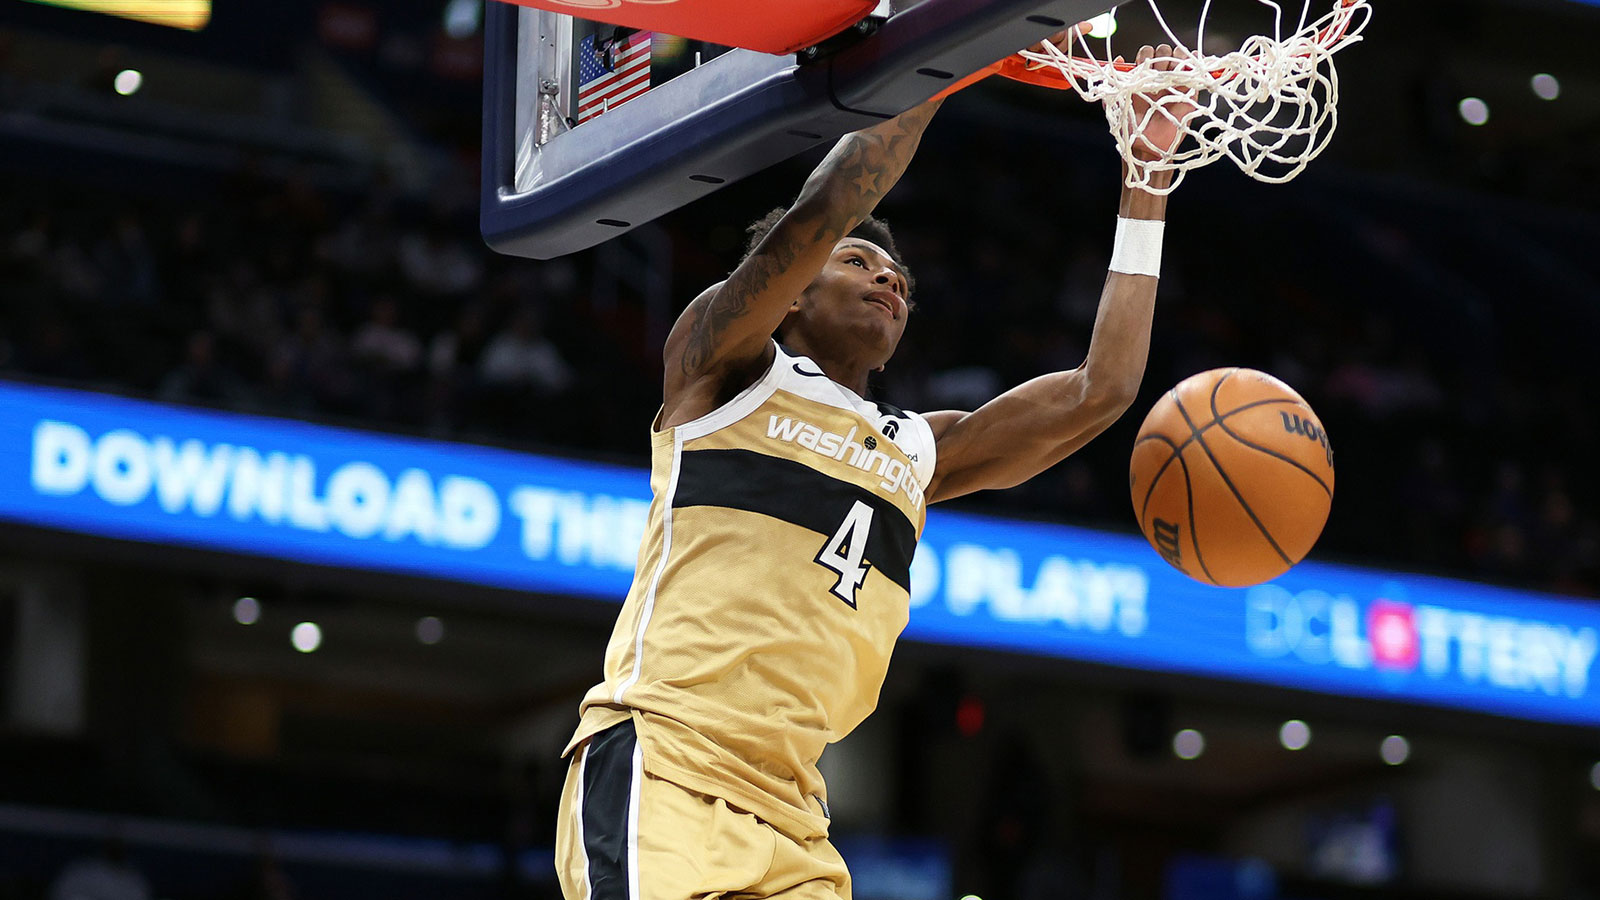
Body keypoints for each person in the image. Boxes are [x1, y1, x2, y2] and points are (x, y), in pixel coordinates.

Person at [556, 37, 1194, 900]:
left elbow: (1101, 389)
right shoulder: (726, 366)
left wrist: (1147, 177)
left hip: (792, 812)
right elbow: (827, 206)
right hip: (669, 758)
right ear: (793, 292)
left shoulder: (917, 448)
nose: (888, 280)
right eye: (859, 262)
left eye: (899, 277)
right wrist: (951, 42)